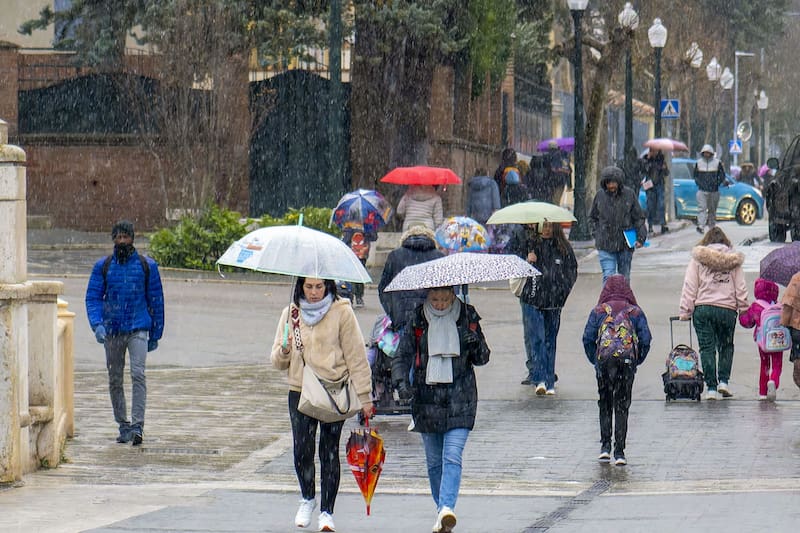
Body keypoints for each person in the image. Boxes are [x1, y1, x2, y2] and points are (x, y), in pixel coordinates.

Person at [270, 277, 374, 532]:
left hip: (333, 389)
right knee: (302, 450)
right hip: (300, 389)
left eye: (319, 287)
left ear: (328, 286)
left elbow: (356, 355)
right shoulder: (291, 312)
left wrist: (365, 396)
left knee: (329, 452)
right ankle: (307, 497)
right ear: (300, 287)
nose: (314, 293)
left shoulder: (342, 311)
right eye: (309, 287)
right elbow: (277, 361)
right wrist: (284, 351)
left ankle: (327, 511)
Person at [391, 286, 490, 533]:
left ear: (454, 295)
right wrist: (401, 382)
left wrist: (474, 342)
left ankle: (447, 507)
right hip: (426, 398)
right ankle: (441, 513)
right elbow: (402, 355)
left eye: (445, 298)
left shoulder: (468, 316)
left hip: (461, 397)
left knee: (452, 456)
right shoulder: (418, 318)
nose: (440, 303)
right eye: (435, 298)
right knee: (434, 462)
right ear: (427, 296)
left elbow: (483, 357)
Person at [85, 220, 164, 446]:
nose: (122, 241)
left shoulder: (146, 266)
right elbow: (93, 297)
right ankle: (123, 424)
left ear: (132, 239)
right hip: (112, 330)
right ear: (113, 240)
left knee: (138, 374)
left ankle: (138, 425)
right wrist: (97, 324)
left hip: (138, 327)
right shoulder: (104, 266)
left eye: (125, 237)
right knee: (115, 379)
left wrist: (156, 332)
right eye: (118, 238)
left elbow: (156, 300)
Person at [582, 274, 651, 466]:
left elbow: (587, 339)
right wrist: (636, 361)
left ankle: (605, 447)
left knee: (605, 402)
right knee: (622, 404)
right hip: (626, 362)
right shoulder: (634, 312)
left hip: (604, 362)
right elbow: (646, 340)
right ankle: (619, 451)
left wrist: (596, 361)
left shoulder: (599, 310)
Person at [678, 227, 748, 400]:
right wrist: (744, 308)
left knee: (707, 348)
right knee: (726, 346)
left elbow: (690, 286)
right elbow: (740, 287)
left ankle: (711, 388)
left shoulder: (698, 260)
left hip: (703, 309)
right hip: (727, 309)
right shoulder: (734, 261)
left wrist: (685, 311)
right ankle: (724, 381)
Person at [509, 222, 578, 394]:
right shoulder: (530, 244)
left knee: (550, 340)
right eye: (543, 226)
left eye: (549, 226)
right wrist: (527, 260)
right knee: (537, 339)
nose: (546, 229)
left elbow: (571, 271)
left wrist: (562, 291)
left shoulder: (563, 248)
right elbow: (514, 264)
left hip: (554, 302)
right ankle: (539, 378)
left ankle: (549, 380)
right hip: (533, 299)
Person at [378, 225, 445, 333]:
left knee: (405, 349)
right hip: (433, 319)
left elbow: (383, 289)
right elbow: (449, 291)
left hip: (402, 319)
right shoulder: (439, 257)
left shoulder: (395, 256)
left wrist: (393, 313)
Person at [588, 166, 647, 283]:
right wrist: (597, 233)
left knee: (624, 278)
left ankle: (623, 300)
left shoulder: (629, 195)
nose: (611, 186)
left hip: (625, 244)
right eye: (608, 183)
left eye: (614, 183)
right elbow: (592, 217)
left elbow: (638, 218)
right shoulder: (600, 196)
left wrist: (641, 238)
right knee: (608, 276)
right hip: (605, 243)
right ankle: (608, 300)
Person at [739, 278, 784, 401]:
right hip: (778, 341)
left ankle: (763, 393)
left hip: (763, 342)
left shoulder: (756, 306)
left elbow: (747, 323)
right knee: (777, 365)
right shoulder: (778, 306)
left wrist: (741, 314)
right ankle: (773, 382)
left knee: (764, 365)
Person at [693, 144, 728, 234]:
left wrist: (717, 183)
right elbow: (695, 176)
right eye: (705, 153)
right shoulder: (699, 163)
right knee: (702, 208)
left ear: (711, 153)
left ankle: (711, 227)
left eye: (708, 153)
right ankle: (701, 226)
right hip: (702, 190)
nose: (707, 155)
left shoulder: (717, 163)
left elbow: (722, 175)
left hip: (714, 191)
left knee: (712, 210)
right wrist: (700, 183)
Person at [341, 228, 377, 308]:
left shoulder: (367, 224)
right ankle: (351, 296)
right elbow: (345, 239)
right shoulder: (349, 224)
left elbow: (374, 237)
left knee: (360, 276)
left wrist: (367, 231)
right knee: (350, 276)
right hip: (351, 253)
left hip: (362, 255)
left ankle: (358, 296)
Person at [640, 148, 670, 235]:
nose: (653, 152)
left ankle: (662, 224)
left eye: (655, 151)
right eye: (652, 150)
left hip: (659, 184)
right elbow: (643, 171)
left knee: (661, 204)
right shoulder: (646, 159)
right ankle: (650, 225)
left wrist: (663, 168)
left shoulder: (661, 159)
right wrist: (648, 161)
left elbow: (666, 173)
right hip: (650, 185)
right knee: (650, 205)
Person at [780, 271, 800, 390]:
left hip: (797, 326)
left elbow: (788, 303)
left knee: (798, 359)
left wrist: (784, 323)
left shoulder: (797, 278)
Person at [546, 142, 571, 206]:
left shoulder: (551, 156)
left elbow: (552, 168)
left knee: (551, 201)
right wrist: (569, 185)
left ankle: (552, 213)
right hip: (561, 181)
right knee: (556, 201)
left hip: (551, 181)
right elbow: (569, 171)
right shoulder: (564, 157)